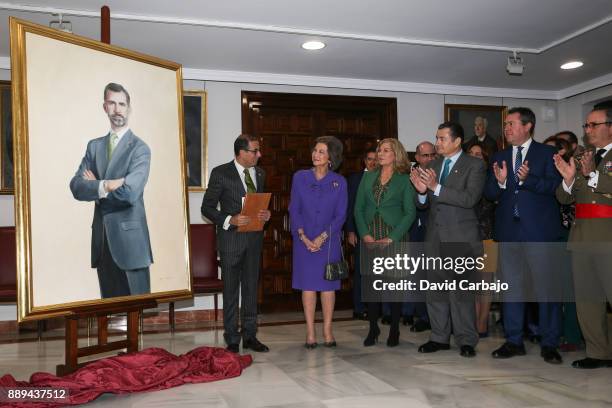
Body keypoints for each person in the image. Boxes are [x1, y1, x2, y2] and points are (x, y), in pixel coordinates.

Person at [484, 107, 563, 364]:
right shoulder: (500, 155)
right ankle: (513, 340)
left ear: (528, 126)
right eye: (505, 125)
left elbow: (556, 188)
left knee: (546, 291)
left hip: (540, 233)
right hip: (509, 233)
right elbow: (490, 193)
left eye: (511, 124)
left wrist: (528, 180)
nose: (506, 129)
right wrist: (502, 182)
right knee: (511, 290)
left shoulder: (548, 153)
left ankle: (550, 343)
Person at [70, 82, 152, 299]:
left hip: (131, 242)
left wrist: (95, 188)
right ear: (104, 107)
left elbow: (130, 194)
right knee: (108, 312)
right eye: (112, 103)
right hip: (102, 240)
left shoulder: (140, 148)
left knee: (137, 314)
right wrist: (106, 185)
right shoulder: (94, 146)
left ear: (129, 108)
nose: (117, 109)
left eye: (122, 104)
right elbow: (76, 187)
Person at [411, 122, 486, 358]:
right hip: (435, 237)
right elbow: (422, 205)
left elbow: (469, 199)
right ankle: (439, 337)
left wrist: (436, 186)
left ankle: (466, 340)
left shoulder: (474, 165)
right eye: (436, 138)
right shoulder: (433, 164)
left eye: (442, 138)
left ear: (457, 141)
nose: (437, 143)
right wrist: (422, 192)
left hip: (461, 237)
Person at [201, 134, 271, 354]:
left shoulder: (260, 174)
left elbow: (259, 205)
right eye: (254, 151)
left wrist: (265, 214)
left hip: (254, 240)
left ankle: (250, 335)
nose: (259, 154)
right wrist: (228, 219)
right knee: (231, 291)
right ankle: (232, 338)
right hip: (231, 241)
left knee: (251, 290)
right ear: (241, 152)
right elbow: (207, 208)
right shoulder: (221, 173)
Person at [554, 106, 612, 369]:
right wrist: (568, 180)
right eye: (586, 126)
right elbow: (565, 197)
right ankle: (598, 352)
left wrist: (592, 175)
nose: (587, 130)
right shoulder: (583, 156)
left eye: (593, 125)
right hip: (581, 235)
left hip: (607, 234)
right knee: (588, 299)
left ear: (610, 126)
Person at [354, 138, 416, 347]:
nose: (380, 153)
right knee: (372, 287)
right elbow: (358, 209)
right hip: (370, 239)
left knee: (395, 286)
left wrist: (392, 238)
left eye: (386, 150)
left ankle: (395, 330)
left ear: (396, 154)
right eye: (379, 150)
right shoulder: (368, 177)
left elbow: (410, 213)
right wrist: (365, 235)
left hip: (394, 239)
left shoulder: (404, 179)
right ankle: (373, 329)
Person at [289, 136, 347, 348]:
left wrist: (322, 237)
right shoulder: (300, 177)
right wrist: (303, 237)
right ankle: (311, 332)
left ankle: (328, 330)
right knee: (308, 286)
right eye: (315, 150)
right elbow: (294, 209)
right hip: (303, 240)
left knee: (328, 287)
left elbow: (340, 215)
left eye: (321, 151)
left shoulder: (339, 182)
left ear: (331, 157)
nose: (316, 154)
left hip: (328, 241)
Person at [404, 141, 436, 332]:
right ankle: (421, 315)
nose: (430, 158)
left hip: (437, 230)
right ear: (416, 158)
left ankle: (435, 318)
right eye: (425, 155)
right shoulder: (407, 176)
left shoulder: (440, 172)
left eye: (433, 155)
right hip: (414, 230)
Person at [467, 143, 496, 338]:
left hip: (487, 236)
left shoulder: (491, 179)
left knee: (484, 284)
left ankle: (483, 323)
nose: (476, 157)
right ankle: (471, 323)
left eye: (479, 154)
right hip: (465, 236)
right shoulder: (462, 177)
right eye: (471, 154)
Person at [345, 147, 377, 320]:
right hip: (360, 231)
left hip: (380, 232)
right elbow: (350, 207)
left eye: (376, 159)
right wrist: (350, 230)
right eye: (370, 159)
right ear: (364, 161)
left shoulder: (384, 178)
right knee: (361, 271)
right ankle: (359, 307)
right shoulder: (355, 179)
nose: (373, 162)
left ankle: (378, 308)